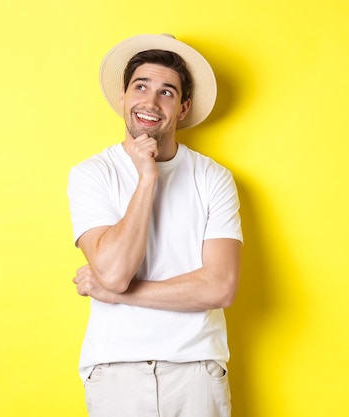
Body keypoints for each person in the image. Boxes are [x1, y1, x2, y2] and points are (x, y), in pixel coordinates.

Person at [67, 33, 243, 417]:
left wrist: (120, 295)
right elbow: (113, 272)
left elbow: (220, 286)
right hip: (115, 370)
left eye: (167, 92)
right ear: (123, 97)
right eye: (141, 87)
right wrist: (147, 177)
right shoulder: (91, 174)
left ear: (183, 108)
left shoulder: (213, 178)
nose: (150, 101)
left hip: (195, 369)